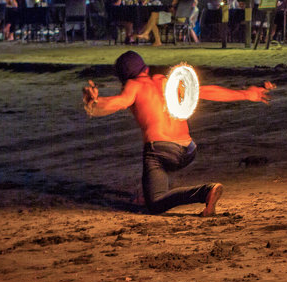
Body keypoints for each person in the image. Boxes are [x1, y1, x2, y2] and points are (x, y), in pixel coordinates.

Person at [81, 51, 273, 215]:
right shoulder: (165, 81)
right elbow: (202, 91)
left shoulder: (134, 86)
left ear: (124, 78)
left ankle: (204, 192)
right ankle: (154, 187)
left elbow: (119, 102)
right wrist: (246, 94)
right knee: (157, 174)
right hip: (188, 150)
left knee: (155, 203)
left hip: (161, 152)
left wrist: (95, 104)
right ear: (146, 69)